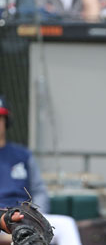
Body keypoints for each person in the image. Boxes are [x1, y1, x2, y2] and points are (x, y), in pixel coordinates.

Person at [0, 95, 83, 245]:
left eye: (0, 118)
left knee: (66, 225)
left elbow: (39, 190)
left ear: (6, 121)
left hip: (25, 217)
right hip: (2, 221)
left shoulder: (22, 155)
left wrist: (37, 218)